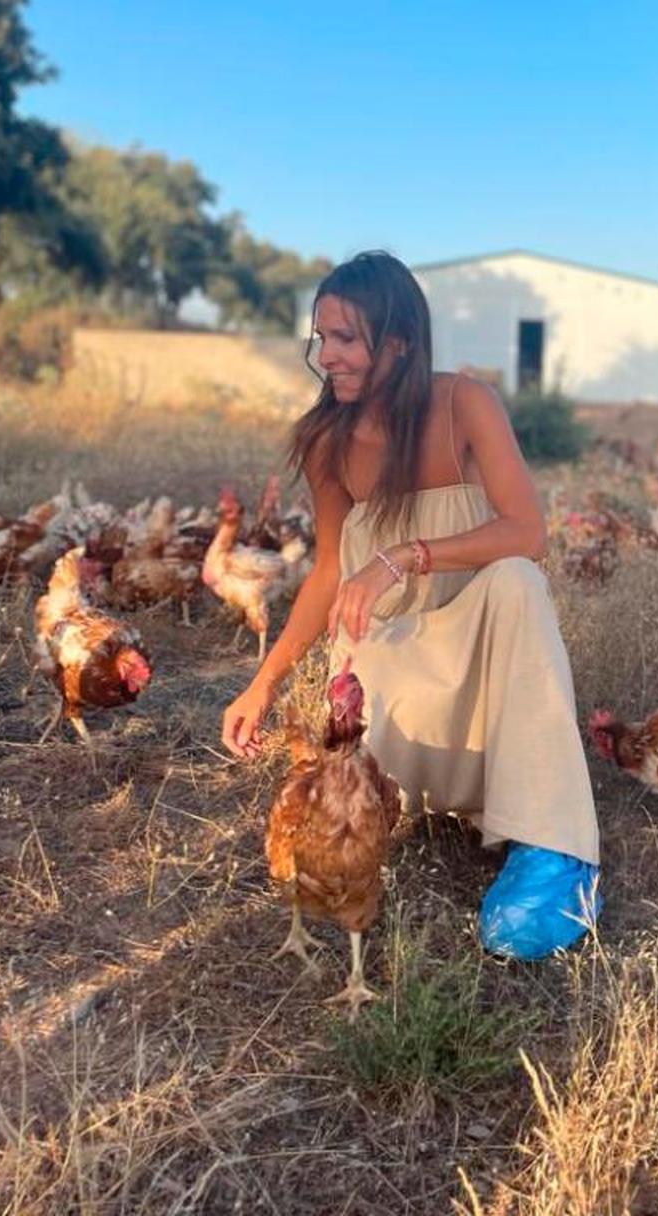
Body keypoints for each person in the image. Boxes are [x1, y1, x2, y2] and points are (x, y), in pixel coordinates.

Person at [220, 250, 601, 958]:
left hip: (478, 648)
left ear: (398, 341)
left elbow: (529, 531)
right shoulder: (328, 442)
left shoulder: (465, 404)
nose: (326, 356)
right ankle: (440, 800)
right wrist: (262, 684)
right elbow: (330, 569)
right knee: (348, 799)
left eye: (345, 339)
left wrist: (403, 557)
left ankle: (554, 847)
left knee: (519, 580)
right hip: (394, 655)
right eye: (320, 338)